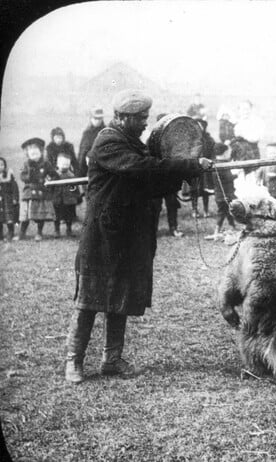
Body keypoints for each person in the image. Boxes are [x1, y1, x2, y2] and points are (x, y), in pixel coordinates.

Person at [65, 89, 213, 384]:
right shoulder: (108, 141)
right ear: (122, 117)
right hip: (103, 234)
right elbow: (141, 169)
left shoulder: (133, 143)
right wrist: (188, 166)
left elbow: (151, 183)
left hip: (128, 234)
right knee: (89, 299)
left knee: (119, 296)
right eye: (141, 118)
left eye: (146, 117)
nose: (146, 122)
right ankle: (74, 361)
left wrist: (184, 175)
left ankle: (111, 360)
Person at [17, 138, 59, 241]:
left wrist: (49, 181)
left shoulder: (46, 163)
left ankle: (39, 232)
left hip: (41, 192)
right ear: (28, 154)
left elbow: (55, 175)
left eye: (36, 152)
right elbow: (22, 176)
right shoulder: (26, 164)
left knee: (40, 214)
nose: (34, 154)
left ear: (41, 151)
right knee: (25, 215)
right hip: (29, 192)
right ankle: (22, 232)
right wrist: (29, 176)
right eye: (31, 152)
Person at [206, 143, 237, 240]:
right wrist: (237, 174)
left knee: (227, 210)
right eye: (229, 152)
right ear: (225, 153)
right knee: (223, 212)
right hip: (225, 194)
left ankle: (233, 226)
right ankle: (217, 231)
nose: (230, 154)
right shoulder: (223, 165)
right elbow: (228, 178)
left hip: (219, 192)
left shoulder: (214, 163)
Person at [52, 153, 82, 238]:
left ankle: (69, 230)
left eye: (66, 164)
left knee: (69, 216)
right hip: (57, 198)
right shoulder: (54, 175)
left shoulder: (71, 175)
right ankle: (57, 230)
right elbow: (51, 187)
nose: (64, 166)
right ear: (58, 164)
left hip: (69, 199)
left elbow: (74, 187)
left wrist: (76, 195)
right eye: (62, 164)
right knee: (56, 215)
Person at [78, 106, 105, 177]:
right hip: (88, 166)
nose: (98, 121)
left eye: (100, 118)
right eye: (95, 118)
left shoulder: (105, 131)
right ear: (91, 118)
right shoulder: (87, 133)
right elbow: (82, 153)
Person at [0, 157, 19, 241]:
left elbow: (14, 187)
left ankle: (10, 232)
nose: (0, 167)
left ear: (5, 166)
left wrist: (15, 198)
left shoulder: (9, 175)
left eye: (1, 165)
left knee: (9, 216)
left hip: (7, 198)